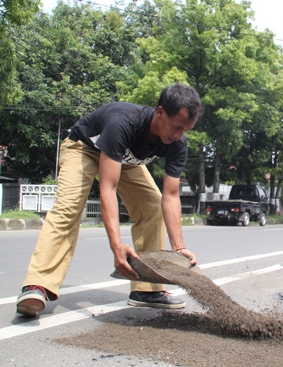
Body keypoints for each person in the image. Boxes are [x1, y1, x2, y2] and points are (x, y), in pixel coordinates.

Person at [16, 83, 203, 318]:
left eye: (185, 130)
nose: (178, 135)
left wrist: (179, 248)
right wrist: (116, 246)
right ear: (160, 112)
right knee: (69, 209)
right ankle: (37, 285)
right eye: (176, 127)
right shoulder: (123, 121)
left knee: (152, 205)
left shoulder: (177, 143)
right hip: (84, 149)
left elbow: (171, 195)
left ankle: (146, 289)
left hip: (124, 160)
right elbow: (108, 187)